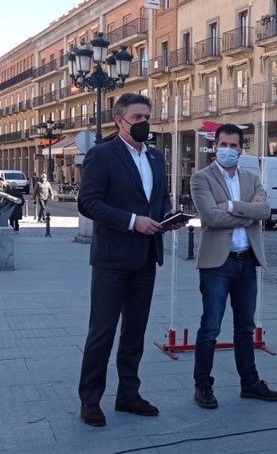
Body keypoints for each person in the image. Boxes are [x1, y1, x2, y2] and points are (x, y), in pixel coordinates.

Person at [77, 93, 186, 427]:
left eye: (147, 117)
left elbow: (160, 197)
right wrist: (132, 220)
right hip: (112, 259)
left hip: (145, 256)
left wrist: (168, 215)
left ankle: (128, 394)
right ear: (119, 120)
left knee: (135, 331)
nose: (144, 123)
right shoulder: (101, 155)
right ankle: (90, 400)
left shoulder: (154, 156)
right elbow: (88, 203)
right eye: (137, 117)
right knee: (103, 331)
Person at [190, 123, 277, 409]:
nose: (228, 150)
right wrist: (247, 212)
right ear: (214, 146)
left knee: (245, 327)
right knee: (211, 327)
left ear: (242, 148)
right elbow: (211, 217)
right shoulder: (200, 178)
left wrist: (229, 206)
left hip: (247, 260)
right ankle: (203, 386)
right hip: (217, 264)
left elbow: (265, 212)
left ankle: (249, 382)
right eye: (223, 145)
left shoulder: (252, 177)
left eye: (234, 145)